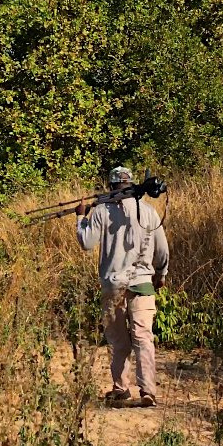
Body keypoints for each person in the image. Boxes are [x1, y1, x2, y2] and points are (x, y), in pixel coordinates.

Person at [75, 166, 169, 407]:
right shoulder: (149, 211)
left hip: (113, 284)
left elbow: (86, 242)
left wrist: (80, 217)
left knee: (118, 340)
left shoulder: (101, 212)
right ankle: (148, 391)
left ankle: (121, 388)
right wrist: (161, 274)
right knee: (143, 337)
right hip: (142, 283)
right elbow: (162, 250)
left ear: (111, 186)